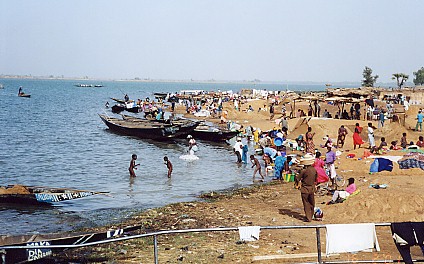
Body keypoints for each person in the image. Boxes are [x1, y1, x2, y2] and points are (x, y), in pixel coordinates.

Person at [295, 154, 317, 222]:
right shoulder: (314, 170)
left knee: (306, 203)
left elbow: (297, 178)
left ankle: (308, 217)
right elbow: (316, 179)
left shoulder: (304, 171)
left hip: (305, 189)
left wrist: (297, 181)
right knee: (312, 202)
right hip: (312, 188)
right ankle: (311, 214)